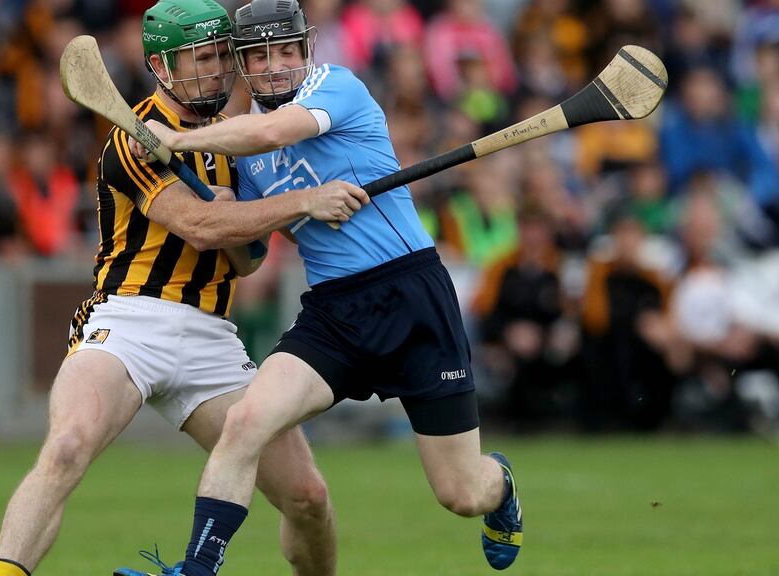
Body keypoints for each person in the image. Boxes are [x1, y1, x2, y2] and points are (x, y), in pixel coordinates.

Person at [118, 0, 523, 574]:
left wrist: (177, 142)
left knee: (461, 493)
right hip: (335, 312)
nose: (276, 65)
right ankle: (196, 569)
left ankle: (500, 486)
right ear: (242, 64)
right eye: (259, 55)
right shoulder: (241, 154)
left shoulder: (337, 87)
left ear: (306, 49)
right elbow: (250, 257)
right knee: (244, 424)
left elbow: (272, 130)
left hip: (410, 295)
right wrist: (225, 210)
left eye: (286, 50)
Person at [0, 2, 369, 575]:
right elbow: (198, 225)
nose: (216, 71)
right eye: (202, 58)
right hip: (128, 322)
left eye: (222, 57)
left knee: (308, 499)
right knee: (67, 447)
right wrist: (300, 202)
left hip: (212, 336)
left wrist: (245, 217)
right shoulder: (132, 136)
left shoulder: (237, 140)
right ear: (164, 66)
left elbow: (242, 259)